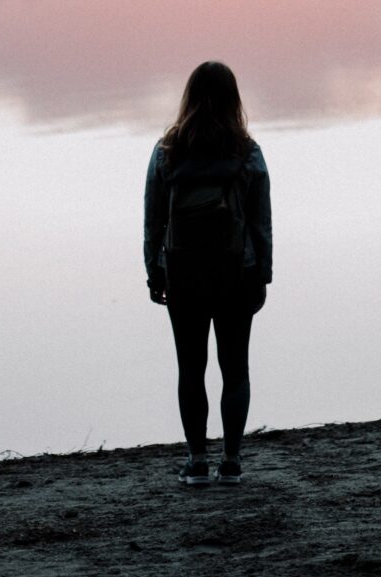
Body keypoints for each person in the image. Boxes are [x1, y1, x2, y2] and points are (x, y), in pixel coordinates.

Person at [143, 61, 272, 485]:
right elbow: (261, 222)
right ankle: (231, 462)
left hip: (182, 273)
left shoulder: (167, 151)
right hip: (237, 271)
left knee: (190, 368)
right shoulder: (247, 153)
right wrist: (263, 275)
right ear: (234, 99)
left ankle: (197, 461)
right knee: (235, 369)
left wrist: (153, 272)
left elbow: (153, 221)